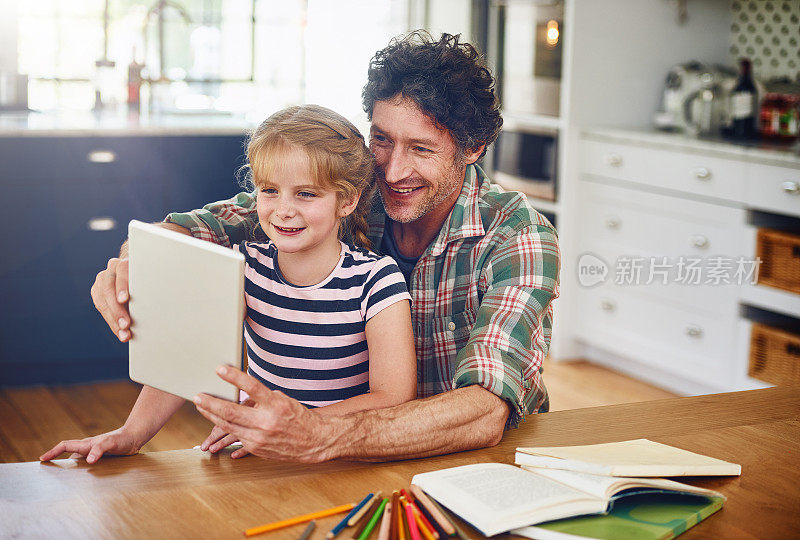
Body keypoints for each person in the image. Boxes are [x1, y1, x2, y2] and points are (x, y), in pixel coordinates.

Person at [86, 31, 560, 463]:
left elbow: (483, 411)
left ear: (473, 148)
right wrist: (135, 262)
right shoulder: (340, 195)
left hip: (479, 460)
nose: (392, 173)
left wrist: (315, 430)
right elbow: (201, 227)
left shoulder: (519, 237)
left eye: (421, 149)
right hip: (337, 460)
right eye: (381, 139)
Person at [40, 105, 417, 464]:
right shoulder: (241, 267)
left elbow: (395, 396)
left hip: (348, 458)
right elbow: (188, 362)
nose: (283, 209)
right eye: (269, 190)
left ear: (347, 200)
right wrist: (132, 434)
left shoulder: (377, 280)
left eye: (306, 193)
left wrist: (295, 425)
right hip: (263, 455)